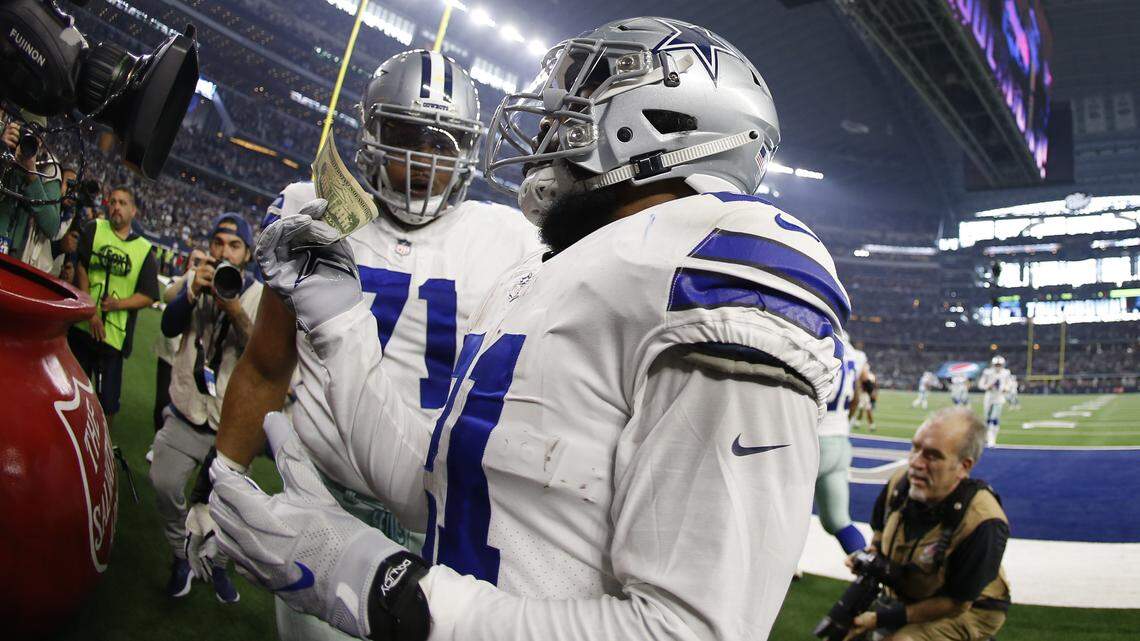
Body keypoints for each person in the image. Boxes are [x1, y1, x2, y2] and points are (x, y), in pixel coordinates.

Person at [209, 17, 846, 641]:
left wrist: (389, 594)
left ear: (653, 130)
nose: (545, 140)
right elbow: (444, 483)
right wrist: (341, 321)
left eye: (570, 120)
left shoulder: (714, 263)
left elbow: (688, 630)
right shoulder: (545, 274)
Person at [196, 50, 542, 641]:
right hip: (326, 496)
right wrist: (220, 478)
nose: (421, 159)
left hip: (436, 516)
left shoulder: (509, 239)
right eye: (405, 134)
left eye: (442, 142)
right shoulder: (315, 208)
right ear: (371, 134)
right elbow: (267, 362)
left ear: (467, 150)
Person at [150, 214, 259, 602]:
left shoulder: (260, 295)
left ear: (247, 253)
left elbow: (262, 354)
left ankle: (217, 565)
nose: (223, 251)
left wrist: (234, 309)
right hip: (187, 408)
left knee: (226, 509)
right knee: (163, 484)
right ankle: (182, 554)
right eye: (218, 242)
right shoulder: (195, 275)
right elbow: (168, 326)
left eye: (233, 245)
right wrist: (192, 292)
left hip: (231, 423)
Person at [844, 407, 1010, 641]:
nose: (915, 462)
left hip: (970, 609)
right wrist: (870, 559)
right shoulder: (900, 484)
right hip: (912, 593)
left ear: (964, 466)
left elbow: (956, 603)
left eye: (932, 455)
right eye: (915, 448)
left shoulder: (984, 520)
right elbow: (879, 535)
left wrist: (882, 619)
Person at [69, 186, 159, 425]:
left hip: (114, 338)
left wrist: (119, 304)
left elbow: (149, 295)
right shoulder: (94, 228)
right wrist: (90, 311)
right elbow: (82, 267)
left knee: (107, 404)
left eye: (122, 203)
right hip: (82, 327)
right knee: (69, 389)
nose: (116, 207)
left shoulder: (144, 250)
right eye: (113, 202)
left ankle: (98, 451)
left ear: (133, 211)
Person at [148, 248, 208, 464]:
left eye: (202, 260)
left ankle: (172, 446)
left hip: (186, 359)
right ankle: (158, 442)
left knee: (179, 404)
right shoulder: (183, 280)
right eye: (195, 260)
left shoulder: (208, 285)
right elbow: (167, 296)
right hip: (168, 353)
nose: (198, 263)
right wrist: (188, 277)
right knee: (161, 402)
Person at [817, 338, 869, 555]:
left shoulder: (819, 336)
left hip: (815, 440)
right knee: (838, 521)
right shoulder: (855, 354)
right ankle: (868, 570)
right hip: (840, 440)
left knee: (778, 513)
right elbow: (859, 392)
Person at [0, 110, 61, 267]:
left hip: (19, 256)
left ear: (42, 140)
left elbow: (52, 226)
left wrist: (32, 175)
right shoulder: (4, 142)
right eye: (24, 131)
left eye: (37, 135)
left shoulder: (48, 166)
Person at [977, 356, 1011, 446]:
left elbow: (1009, 384)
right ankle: (987, 438)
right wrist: (987, 386)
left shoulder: (1006, 373)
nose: (998, 366)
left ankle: (993, 439)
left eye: (999, 364)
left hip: (999, 397)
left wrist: (1006, 389)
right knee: (987, 419)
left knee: (995, 418)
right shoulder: (987, 372)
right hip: (989, 397)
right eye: (996, 364)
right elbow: (981, 384)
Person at [855, 361, 879, 432]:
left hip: (865, 395)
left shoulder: (870, 376)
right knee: (862, 409)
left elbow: (874, 386)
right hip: (863, 394)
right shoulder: (867, 375)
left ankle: (871, 425)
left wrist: (873, 394)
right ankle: (859, 423)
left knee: (866, 410)